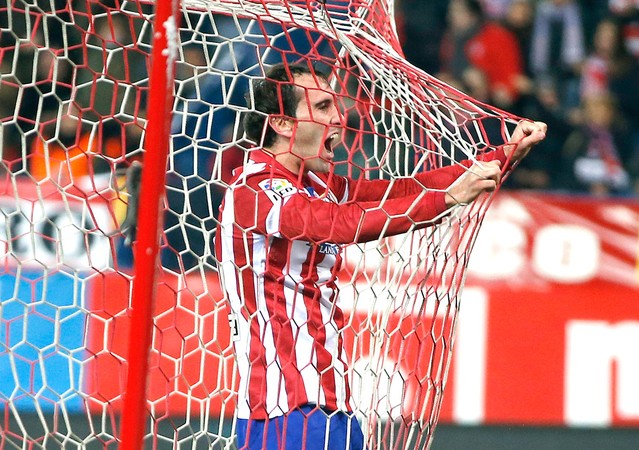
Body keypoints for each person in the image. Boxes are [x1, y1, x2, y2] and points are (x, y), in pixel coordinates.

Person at [215, 63, 546, 450]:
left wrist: (503, 154)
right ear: (281, 124)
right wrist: (449, 198)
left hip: (319, 406)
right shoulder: (253, 190)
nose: (339, 118)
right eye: (322, 107)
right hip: (289, 408)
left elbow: (401, 190)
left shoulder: (317, 185)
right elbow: (335, 224)